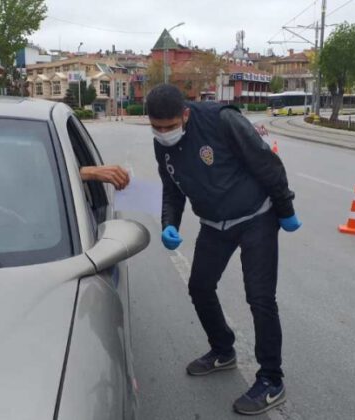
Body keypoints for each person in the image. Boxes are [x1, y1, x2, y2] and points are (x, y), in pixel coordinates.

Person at [146, 84, 301, 415]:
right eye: (156, 127)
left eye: (169, 126)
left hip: (256, 217)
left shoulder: (222, 120)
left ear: (185, 115)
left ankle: (272, 380)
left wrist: (285, 209)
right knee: (200, 287)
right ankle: (223, 350)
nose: (163, 133)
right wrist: (168, 223)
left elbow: (266, 162)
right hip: (215, 224)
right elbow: (172, 189)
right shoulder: (163, 146)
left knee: (260, 298)